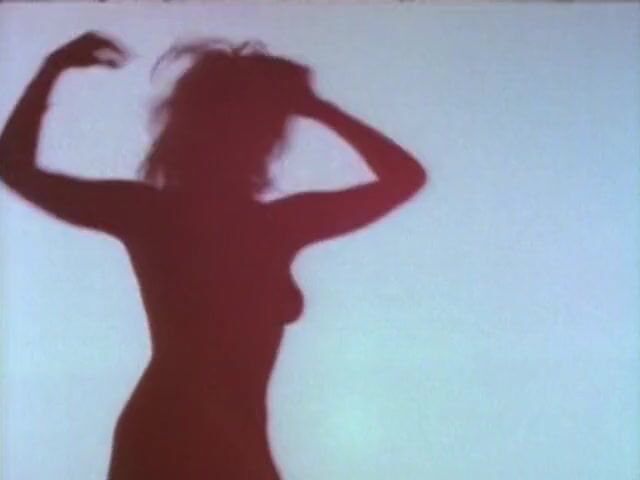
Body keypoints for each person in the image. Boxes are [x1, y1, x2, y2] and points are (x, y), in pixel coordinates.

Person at [0, 31, 427, 479]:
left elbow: (406, 179)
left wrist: (53, 68)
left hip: (224, 438)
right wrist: (314, 107)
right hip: (177, 437)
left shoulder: (235, 221)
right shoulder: (234, 223)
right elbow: (405, 178)